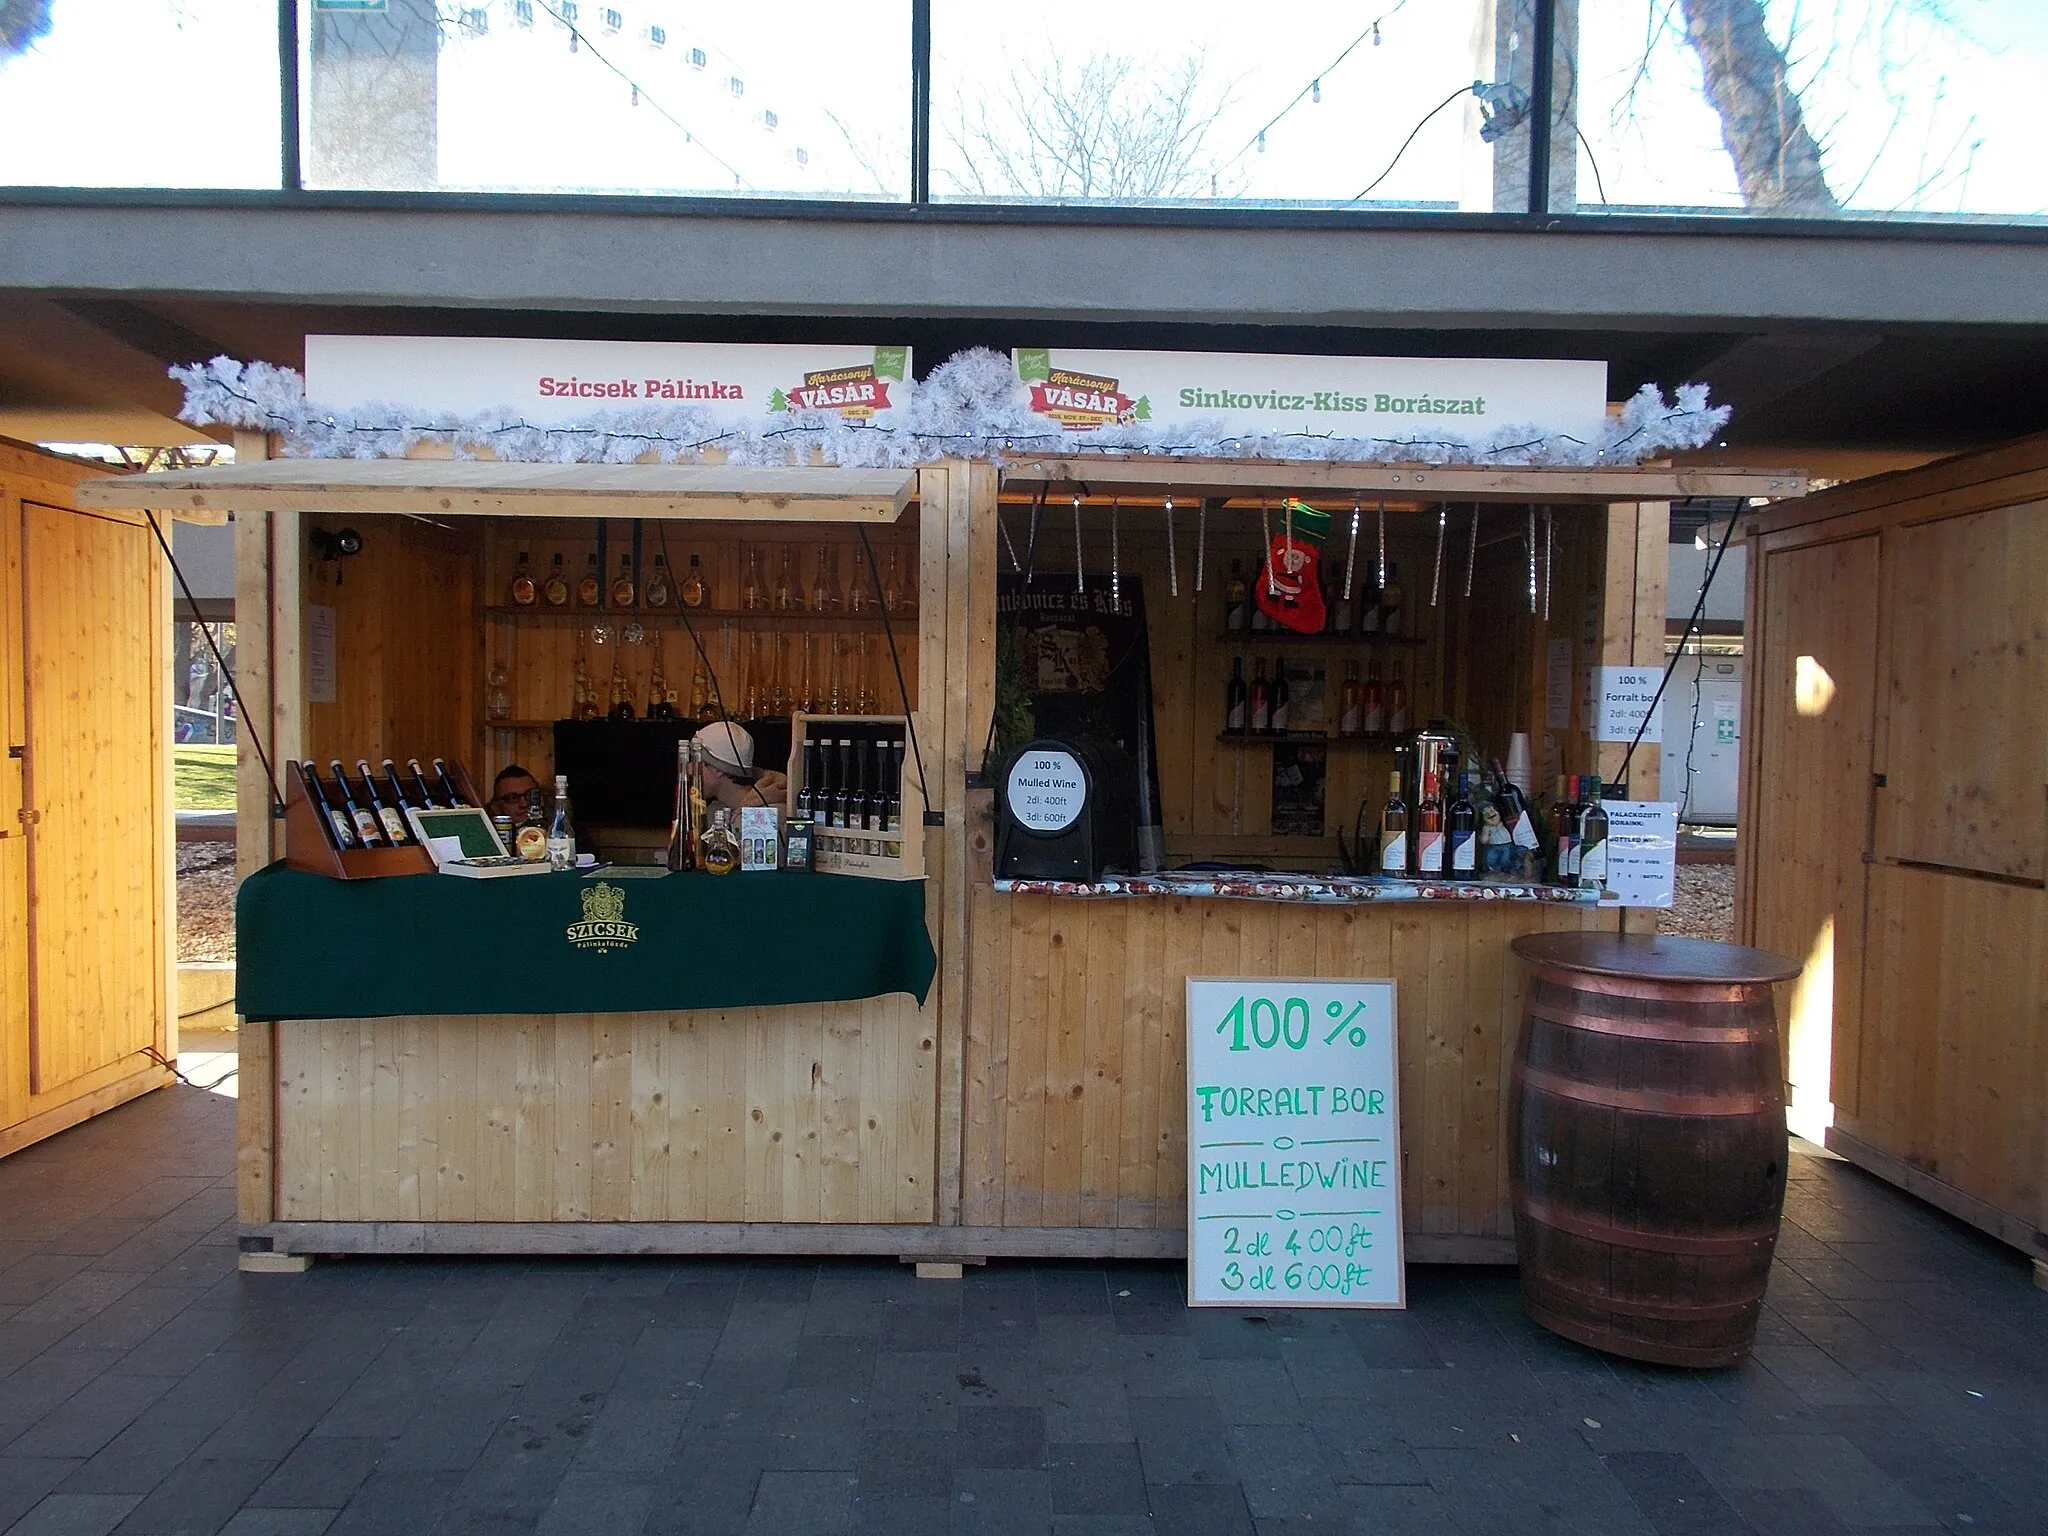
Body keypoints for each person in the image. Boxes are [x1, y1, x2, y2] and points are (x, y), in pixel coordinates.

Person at [690, 721, 787, 816]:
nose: (690, 770)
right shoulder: (714, 812)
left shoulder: (769, 816)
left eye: (696, 762)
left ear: (718, 769)